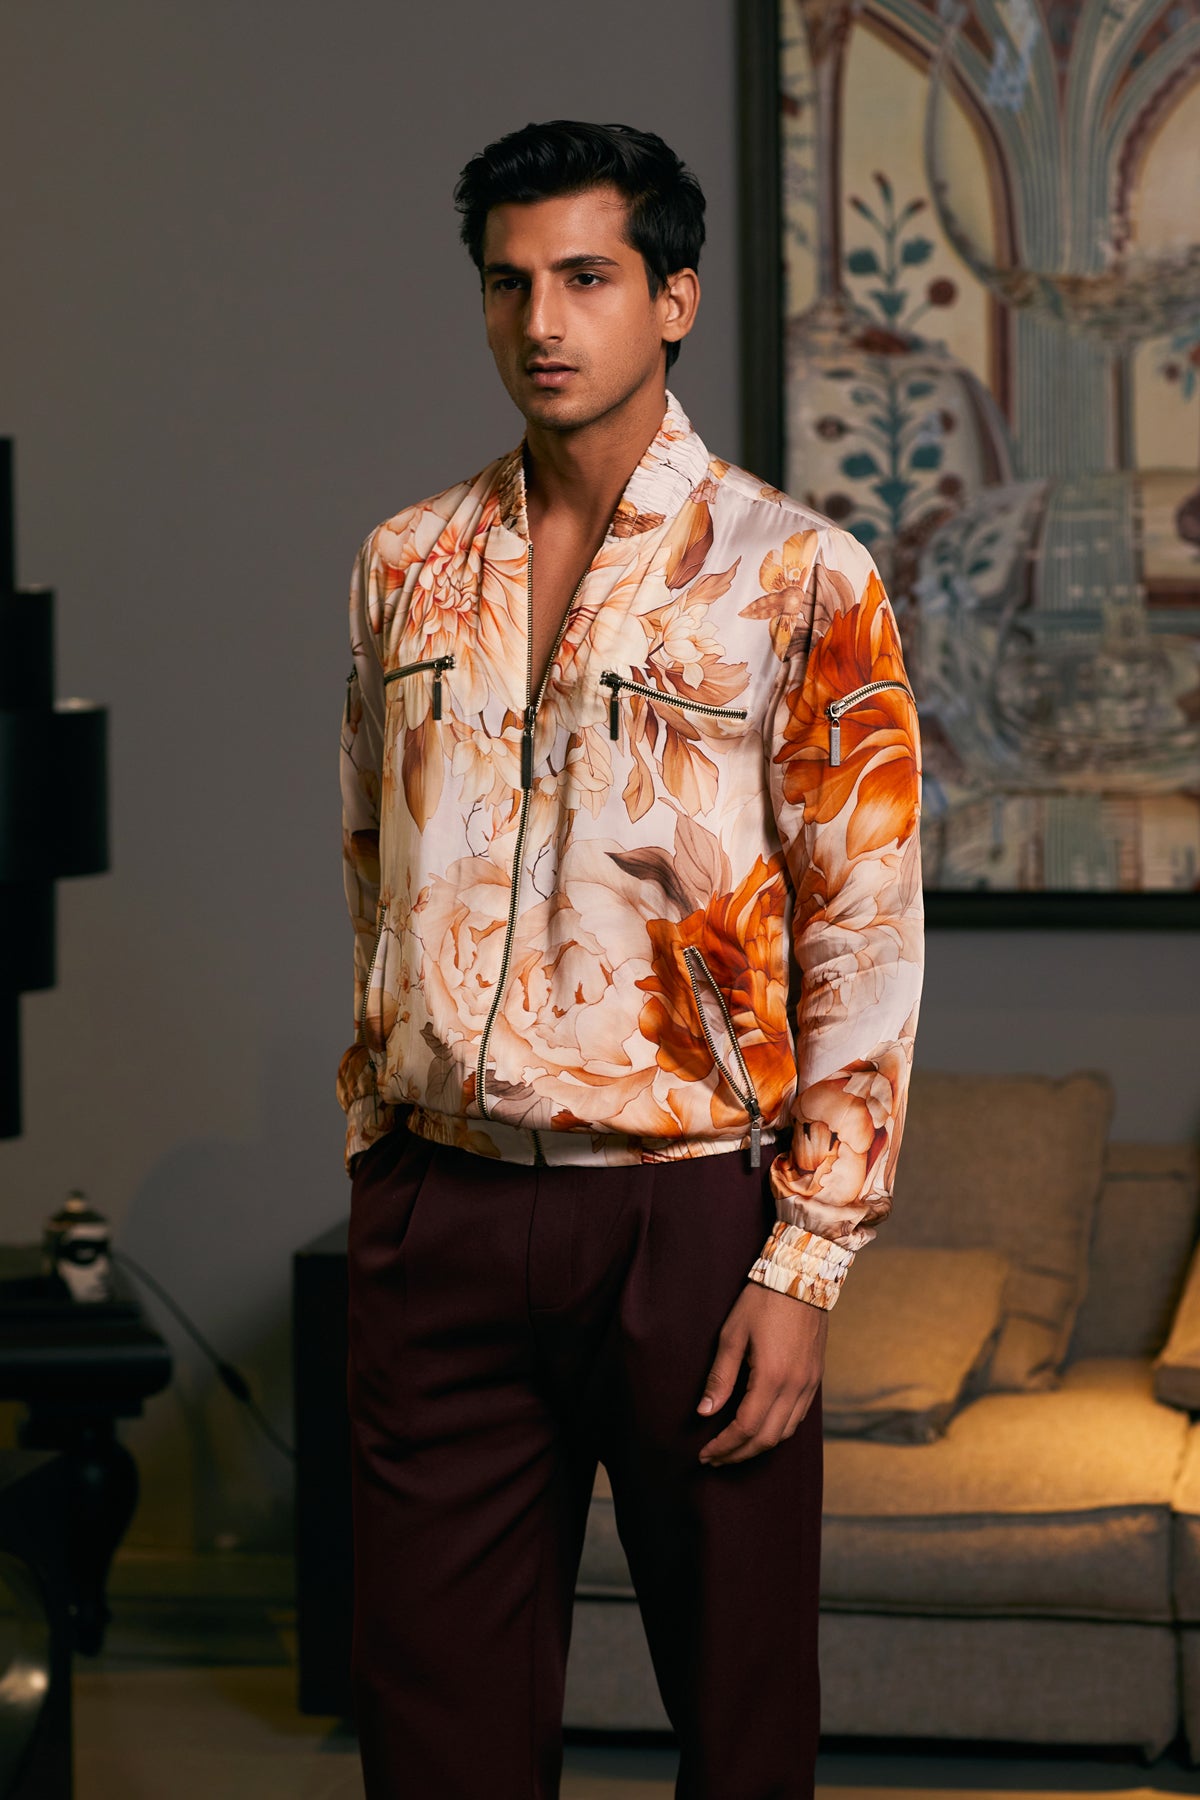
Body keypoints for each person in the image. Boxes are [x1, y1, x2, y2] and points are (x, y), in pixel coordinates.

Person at [338, 118, 924, 1800]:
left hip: (691, 1223)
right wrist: (381, 1150)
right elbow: (374, 866)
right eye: (508, 282)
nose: (542, 321)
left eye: (586, 277)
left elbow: (863, 932)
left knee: (741, 1729)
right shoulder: (403, 567)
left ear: (673, 298)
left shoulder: (798, 575)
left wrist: (803, 1264)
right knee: (433, 1742)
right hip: (442, 1211)